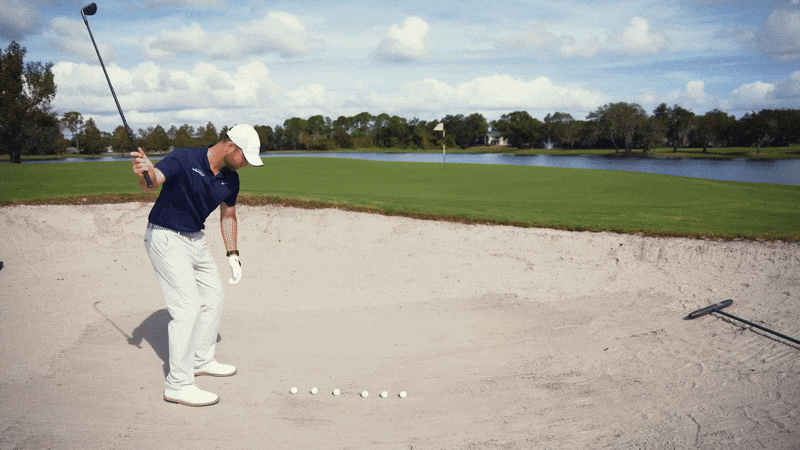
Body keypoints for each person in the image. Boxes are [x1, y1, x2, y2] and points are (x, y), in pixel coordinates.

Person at [131, 124, 263, 407]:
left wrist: (233, 254)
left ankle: (202, 359)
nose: (246, 164)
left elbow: (228, 216)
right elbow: (153, 181)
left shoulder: (231, 179)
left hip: (196, 239)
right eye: (245, 157)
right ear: (231, 147)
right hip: (165, 236)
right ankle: (177, 384)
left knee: (214, 296)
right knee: (188, 307)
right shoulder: (184, 158)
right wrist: (146, 173)